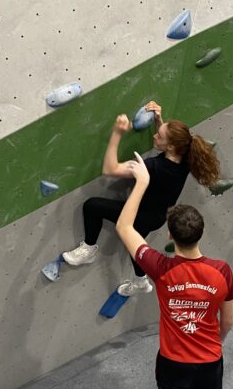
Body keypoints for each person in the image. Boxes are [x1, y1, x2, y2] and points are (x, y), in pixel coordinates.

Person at [115, 152, 233, 389]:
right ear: (200, 235)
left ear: (170, 237)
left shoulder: (161, 267)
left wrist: (142, 184)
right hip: (210, 360)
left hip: (174, 366)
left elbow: (124, 226)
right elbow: (228, 319)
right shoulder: (221, 272)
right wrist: (213, 343)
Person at [61, 101, 221, 297]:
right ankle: (140, 281)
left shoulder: (153, 167)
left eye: (159, 135)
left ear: (170, 146)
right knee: (134, 246)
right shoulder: (185, 156)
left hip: (143, 215)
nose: (155, 135)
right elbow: (170, 141)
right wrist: (159, 120)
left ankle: (89, 249)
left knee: (93, 206)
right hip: (158, 216)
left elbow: (109, 169)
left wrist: (117, 133)